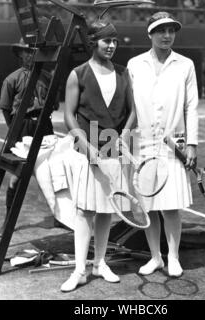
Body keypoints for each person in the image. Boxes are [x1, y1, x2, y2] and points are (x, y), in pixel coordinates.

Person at [61, 20, 136, 292]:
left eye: (115, 41)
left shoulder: (124, 73)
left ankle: (99, 263)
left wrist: (124, 137)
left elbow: (133, 111)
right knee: (84, 211)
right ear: (93, 41)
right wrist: (85, 144)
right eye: (107, 41)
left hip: (113, 152)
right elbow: (68, 116)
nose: (112, 46)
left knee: (106, 211)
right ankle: (79, 269)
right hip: (87, 150)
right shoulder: (77, 74)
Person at [127, 12, 198, 278]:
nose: (166, 35)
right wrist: (124, 137)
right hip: (143, 145)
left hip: (173, 146)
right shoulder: (135, 64)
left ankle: (174, 257)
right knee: (148, 207)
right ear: (150, 33)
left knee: (170, 206)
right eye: (160, 30)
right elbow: (131, 107)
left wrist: (192, 144)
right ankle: (155, 257)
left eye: (171, 30)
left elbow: (192, 107)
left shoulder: (185, 65)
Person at [0, 39, 54, 237]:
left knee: (52, 171)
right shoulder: (12, 79)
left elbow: (53, 105)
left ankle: (58, 215)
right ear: (20, 54)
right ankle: (8, 220)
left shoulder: (47, 77)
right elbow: (5, 108)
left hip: (44, 125)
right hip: (23, 127)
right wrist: (15, 128)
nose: (31, 55)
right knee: (17, 175)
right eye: (27, 52)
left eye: (35, 51)